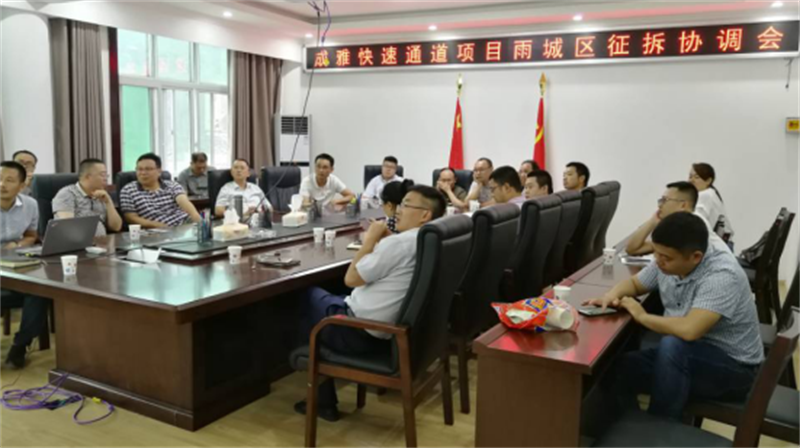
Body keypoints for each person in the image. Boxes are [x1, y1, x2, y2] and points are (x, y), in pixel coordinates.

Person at [586, 213, 763, 421]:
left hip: (734, 368)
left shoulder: (722, 275)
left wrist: (642, 316)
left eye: (666, 258)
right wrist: (611, 296)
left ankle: (661, 428)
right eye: (656, 253)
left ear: (695, 257)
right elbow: (635, 284)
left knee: (673, 345)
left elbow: (689, 330)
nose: (658, 261)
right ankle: (634, 424)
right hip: (687, 354)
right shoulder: (666, 259)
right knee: (615, 369)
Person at [292, 185, 446, 422]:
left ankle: (319, 396)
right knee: (323, 299)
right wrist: (387, 241)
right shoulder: (430, 239)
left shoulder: (399, 244)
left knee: (303, 295)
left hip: (359, 332)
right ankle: (320, 392)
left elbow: (351, 279)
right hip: (394, 334)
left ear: (425, 214)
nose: (398, 210)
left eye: (406, 205)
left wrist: (370, 240)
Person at [0, 161, 47, 369]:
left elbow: (30, 235)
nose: (2, 184)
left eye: (9, 180)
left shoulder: (30, 205)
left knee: (39, 291)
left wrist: (17, 245)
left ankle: (20, 345)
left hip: (14, 263)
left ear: (21, 186)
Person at [626, 182, 731, 256]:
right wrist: (652, 221)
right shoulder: (679, 223)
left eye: (665, 200)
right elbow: (632, 249)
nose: (660, 205)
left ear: (683, 205)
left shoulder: (692, 226)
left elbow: (633, 249)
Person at [120, 153, 201, 228]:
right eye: (139, 169)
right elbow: (131, 218)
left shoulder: (172, 185)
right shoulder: (128, 190)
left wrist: (199, 222)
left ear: (159, 171)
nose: (143, 173)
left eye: (148, 169)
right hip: (156, 230)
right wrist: (158, 226)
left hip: (185, 224)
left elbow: (185, 203)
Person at [52, 158, 122, 236]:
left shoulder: (101, 195)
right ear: (88, 177)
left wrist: (108, 202)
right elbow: (67, 227)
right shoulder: (67, 194)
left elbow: (116, 227)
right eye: (103, 175)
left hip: (102, 242)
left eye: (106, 175)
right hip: (78, 243)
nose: (106, 179)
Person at [689, 163, 734, 245]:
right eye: (690, 176)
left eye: (696, 177)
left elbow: (696, 222)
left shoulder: (705, 195)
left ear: (708, 181)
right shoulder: (711, 193)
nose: (691, 180)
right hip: (723, 243)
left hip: (717, 245)